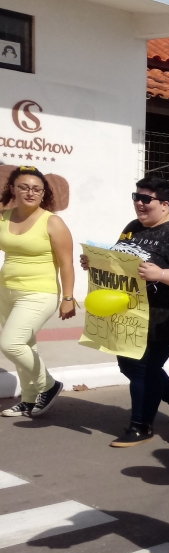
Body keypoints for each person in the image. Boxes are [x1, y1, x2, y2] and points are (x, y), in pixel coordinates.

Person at [78, 176, 169, 447]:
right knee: (129, 365)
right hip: (130, 315)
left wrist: (161, 274)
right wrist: (95, 263)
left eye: (146, 199)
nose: (139, 203)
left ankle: (140, 425)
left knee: (143, 368)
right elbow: (120, 260)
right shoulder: (133, 228)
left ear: (165, 204)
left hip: (165, 319)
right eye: (136, 197)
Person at [0, 166, 75, 419]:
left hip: (39, 292)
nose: (30, 192)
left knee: (11, 344)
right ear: (13, 189)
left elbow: (67, 263)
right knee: (25, 346)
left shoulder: (52, 221)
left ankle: (48, 385)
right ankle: (28, 399)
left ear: (43, 193)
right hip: (6, 290)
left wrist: (68, 297)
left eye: (36, 189)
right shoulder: (4, 217)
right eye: (24, 187)